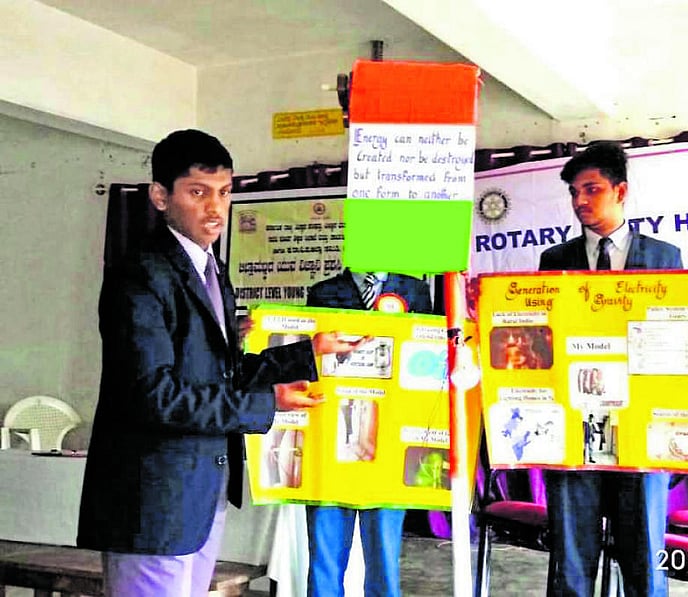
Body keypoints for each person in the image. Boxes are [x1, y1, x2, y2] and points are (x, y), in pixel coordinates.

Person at [77, 129, 362, 596]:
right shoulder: (141, 275)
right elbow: (156, 396)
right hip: (153, 500)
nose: (215, 209)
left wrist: (307, 353)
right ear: (160, 196)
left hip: (201, 491)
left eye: (225, 193)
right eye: (198, 192)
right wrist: (266, 404)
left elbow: (223, 373)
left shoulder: (211, 271)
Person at [539, 141, 683, 597]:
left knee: (643, 559)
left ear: (620, 191)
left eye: (591, 189)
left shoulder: (665, 258)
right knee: (572, 560)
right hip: (573, 424)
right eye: (574, 193)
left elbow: (681, 335)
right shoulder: (553, 261)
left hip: (640, 426)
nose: (580, 201)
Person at [304, 267, 432, 597]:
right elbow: (310, 361)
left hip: (388, 442)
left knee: (385, 560)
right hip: (333, 438)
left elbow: (431, 357)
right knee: (325, 556)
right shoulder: (323, 292)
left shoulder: (415, 290)